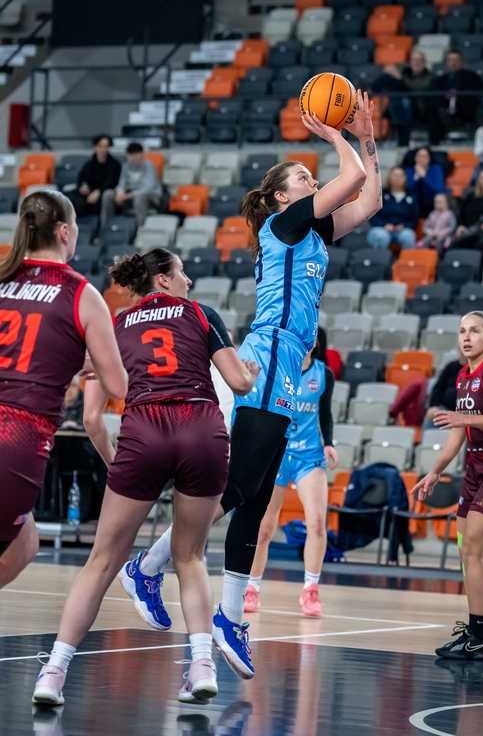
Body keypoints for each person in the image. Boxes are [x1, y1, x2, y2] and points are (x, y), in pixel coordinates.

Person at [123, 91, 382, 681]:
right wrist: (335, 135)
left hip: (289, 359)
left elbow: (368, 199)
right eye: (303, 178)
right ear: (282, 196)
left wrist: (367, 140)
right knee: (241, 485)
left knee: (259, 494)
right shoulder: (282, 224)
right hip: (268, 353)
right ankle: (149, 566)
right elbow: (350, 179)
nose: (312, 181)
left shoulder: (312, 231)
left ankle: (231, 615)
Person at [32, 248, 259, 707]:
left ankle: (53, 673)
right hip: (200, 427)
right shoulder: (201, 314)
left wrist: (116, 462)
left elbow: (91, 416)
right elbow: (239, 384)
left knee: (101, 562)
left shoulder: (115, 326)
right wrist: (250, 374)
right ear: (163, 280)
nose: (189, 280)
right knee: (189, 556)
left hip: (144, 430)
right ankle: (201, 666)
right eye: (182, 272)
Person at [0, 190, 126, 595]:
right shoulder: (80, 293)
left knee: (26, 543)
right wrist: (88, 360)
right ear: (65, 232)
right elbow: (118, 385)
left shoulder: (3, 277)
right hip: (17, 436)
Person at [414, 311, 483, 660]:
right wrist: (434, 472)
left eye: (474, 331)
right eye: (462, 331)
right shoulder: (463, 375)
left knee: (474, 551)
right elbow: (458, 434)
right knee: (468, 554)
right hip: (476, 470)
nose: (466, 336)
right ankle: (481, 629)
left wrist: (466, 417)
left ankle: (479, 635)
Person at [243, 341, 337, 618]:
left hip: (309, 455)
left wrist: (329, 443)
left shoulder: (323, 374)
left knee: (317, 522)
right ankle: (252, 588)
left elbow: (325, 412)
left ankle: (310, 589)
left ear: (315, 341)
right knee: (264, 527)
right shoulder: (280, 368)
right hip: (277, 452)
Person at [101, 141, 163, 229]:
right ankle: (106, 226)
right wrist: (120, 193)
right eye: (130, 155)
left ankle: (140, 229)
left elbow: (148, 188)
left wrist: (127, 196)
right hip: (130, 195)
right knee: (108, 194)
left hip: (150, 196)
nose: (133, 158)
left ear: (142, 154)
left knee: (139, 197)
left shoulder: (149, 166)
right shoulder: (126, 166)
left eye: (135, 155)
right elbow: (121, 183)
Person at [367, 166, 418, 251]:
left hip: (403, 230)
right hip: (382, 228)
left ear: (405, 178)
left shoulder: (411, 196)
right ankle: (381, 259)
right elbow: (372, 215)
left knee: (408, 236)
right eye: (395, 175)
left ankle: (407, 259)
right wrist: (384, 225)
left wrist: (404, 226)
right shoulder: (380, 194)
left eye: (400, 176)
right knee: (380, 236)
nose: (398, 178)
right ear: (389, 177)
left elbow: (414, 218)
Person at [435, 50, 483, 134]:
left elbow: (481, 90)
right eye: (450, 60)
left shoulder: (472, 76)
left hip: (466, 108)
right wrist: (445, 96)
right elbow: (436, 94)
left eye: (456, 60)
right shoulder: (440, 79)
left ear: (461, 62)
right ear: (446, 62)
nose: (453, 63)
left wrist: (458, 95)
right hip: (445, 108)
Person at [70, 134, 121, 218]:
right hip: (88, 192)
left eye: (106, 146)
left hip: (103, 192)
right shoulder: (89, 163)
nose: (103, 149)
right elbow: (81, 178)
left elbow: (112, 182)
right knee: (70, 197)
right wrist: (83, 185)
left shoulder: (114, 164)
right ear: (95, 147)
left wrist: (98, 192)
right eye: (100, 146)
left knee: (102, 199)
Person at [403, 49, 440, 145]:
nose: (417, 62)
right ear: (410, 62)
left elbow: (421, 87)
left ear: (424, 62)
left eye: (419, 60)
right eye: (414, 60)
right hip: (410, 108)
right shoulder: (405, 75)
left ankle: (434, 142)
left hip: (427, 107)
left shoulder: (431, 76)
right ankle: (403, 141)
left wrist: (399, 78)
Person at [371, 62, 412, 146]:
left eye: (392, 68)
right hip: (384, 106)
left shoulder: (405, 76)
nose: (390, 69)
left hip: (400, 106)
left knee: (398, 105)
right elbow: (374, 88)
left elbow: (407, 90)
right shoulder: (382, 78)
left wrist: (398, 76)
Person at [405, 146, 447, 216]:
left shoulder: (436, 169)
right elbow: (406, 190)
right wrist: (416, 178)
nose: (422, 159)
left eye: (425, 156)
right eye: (419, 156)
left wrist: (424, 177)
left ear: (429, 158)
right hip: (413, 204)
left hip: (432, 203)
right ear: (415, 158)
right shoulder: (409, 170)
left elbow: (439, 190)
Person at [423, 357, 463, 425]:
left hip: (465, 414)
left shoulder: (478, 369)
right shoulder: (452, 366)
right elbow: (438, 388)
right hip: (445, 409)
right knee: (431, 416)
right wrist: (434, 406)